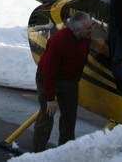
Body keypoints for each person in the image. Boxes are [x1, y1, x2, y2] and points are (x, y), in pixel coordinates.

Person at [33, 11, 93, 152]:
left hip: (70, 81)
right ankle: (38, 152)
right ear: (77, 30)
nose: (92, 30)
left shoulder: (85, 36)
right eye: (89, 28)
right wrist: (50, 98)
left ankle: (65, 152)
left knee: (69, 118)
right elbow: (48, 71)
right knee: (47, 115)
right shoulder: (58, 41)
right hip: (48, 78)